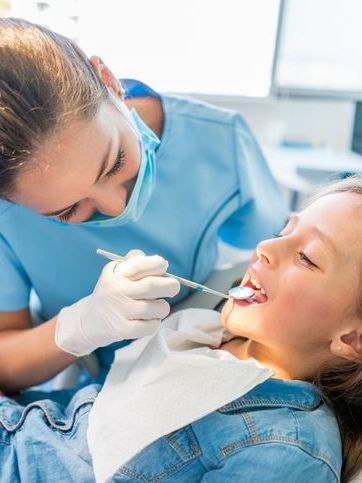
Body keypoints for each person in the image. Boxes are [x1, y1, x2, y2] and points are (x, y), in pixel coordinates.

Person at [1, 176, 362, 483]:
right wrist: (86, 322)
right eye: (283, 229)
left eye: (307, 257)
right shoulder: (204, 336)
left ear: (353, 339)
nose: (266, 247)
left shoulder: (287, 450)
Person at [0, 18, 286, 393]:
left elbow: (276, 265)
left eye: (116, 162)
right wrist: (80, 327)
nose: (117, 207)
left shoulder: (220, 141)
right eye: (67, 211)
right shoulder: (7, 217)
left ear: (108, 80)